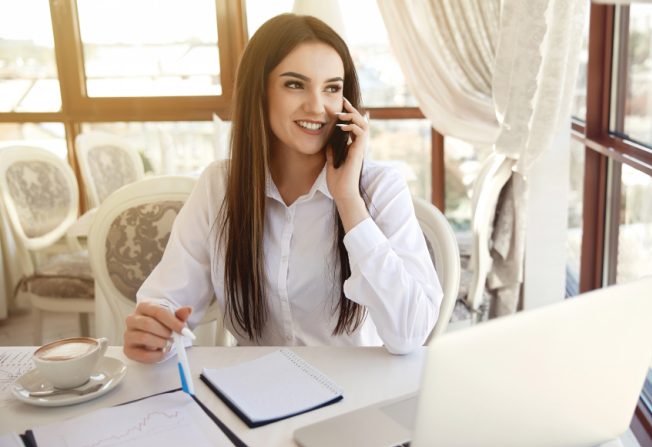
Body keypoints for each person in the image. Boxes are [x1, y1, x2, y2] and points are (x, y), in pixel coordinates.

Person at [123, 13, 442, 363]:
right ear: (260, 91)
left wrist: (349, 201)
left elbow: (410, 334)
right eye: (295, 84)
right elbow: (167, 300)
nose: (317, 107)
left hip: (354, 396)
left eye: (332, 88)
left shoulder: (379, 187)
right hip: (253, 396)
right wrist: (156, 329)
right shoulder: (220, 186)